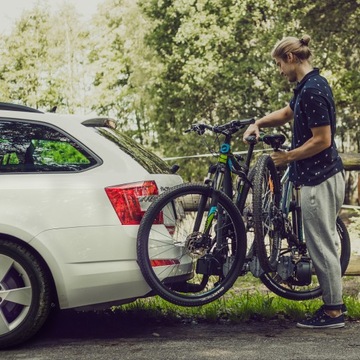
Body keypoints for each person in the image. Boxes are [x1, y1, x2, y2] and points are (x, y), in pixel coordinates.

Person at [243, 35, 346, 329]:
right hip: (319, 176)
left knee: (321, 244)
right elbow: (288, 113)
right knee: (322, 241)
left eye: (278, 64)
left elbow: (322, 140)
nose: (279, 71)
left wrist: (287, 157)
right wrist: (259, 122)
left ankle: (333, 312)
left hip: (320, 177)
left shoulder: (312, 90)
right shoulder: (307, 87)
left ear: (290, 58)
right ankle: (333, 307)